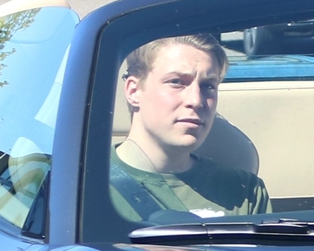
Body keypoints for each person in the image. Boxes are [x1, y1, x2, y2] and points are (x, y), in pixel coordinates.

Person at [109, 33, 272, 221]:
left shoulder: (244, 193)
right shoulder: (82, 186)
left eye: (208, 86)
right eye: (176, 82)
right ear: (133, 91)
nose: (196, 100)